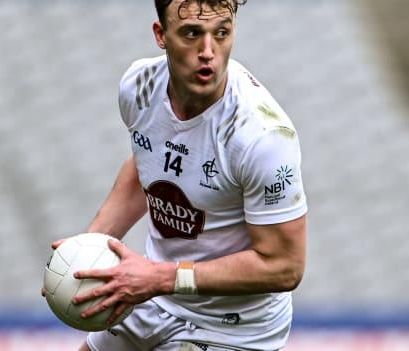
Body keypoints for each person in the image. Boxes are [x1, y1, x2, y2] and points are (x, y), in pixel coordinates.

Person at [48, 0, 307, 350]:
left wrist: (161, 277)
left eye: (221, 33)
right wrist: (90, 249)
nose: (208, 52)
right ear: (161, 35)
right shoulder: (139, 87)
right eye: (191, 34)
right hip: (154, 297)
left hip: (233, 327)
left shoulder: (262, 137)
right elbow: (148, 160)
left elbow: (284, 266)